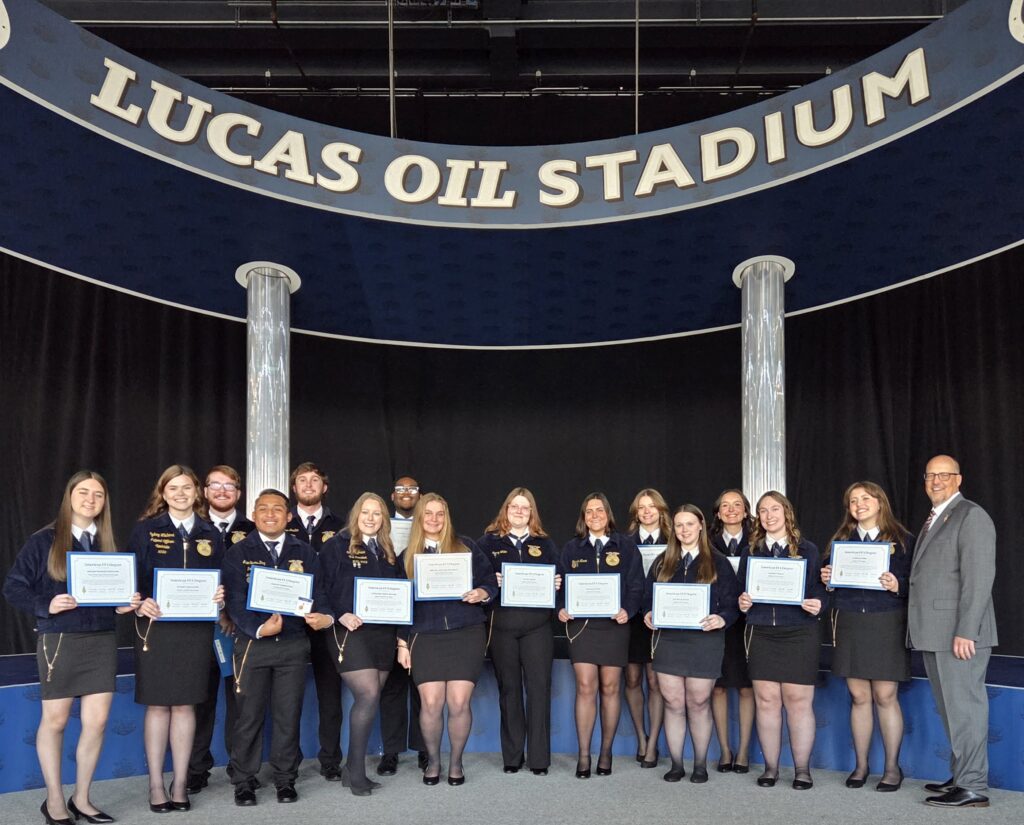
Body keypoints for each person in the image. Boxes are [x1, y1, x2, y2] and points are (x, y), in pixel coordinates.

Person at [4, 471, 141, 825]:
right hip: (60, 639)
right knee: (56, 720)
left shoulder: (106, 543)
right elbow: (13, 587)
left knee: (97, 722)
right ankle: (54, 800)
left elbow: (109, 596)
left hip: (102, 640)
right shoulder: (44, 540)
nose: (90, 500)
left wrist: (122, 605)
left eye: (98, 495)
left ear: (105, 502)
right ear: (69, 496)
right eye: (83, 492)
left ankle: (81, 798)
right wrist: (46, 605)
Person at [221, 488, 334, 806]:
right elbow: (234, 601)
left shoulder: (305, 552)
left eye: (277, 509)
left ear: (288, 516)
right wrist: (258, 629)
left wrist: (325, 617)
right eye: (263, 509)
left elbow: (320, 594)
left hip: (293, 645)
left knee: (288, 715)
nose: (270, 514)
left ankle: (285, 779)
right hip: (253, 645)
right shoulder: (238, 553)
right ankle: (244, 780)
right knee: (248, 716)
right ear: (253, 515)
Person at [129, 465, 225, 813]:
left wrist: (221, 596)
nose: (180, 494)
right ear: (163, 493)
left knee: (186, 705)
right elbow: (131, 577)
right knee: (158, 705)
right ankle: (156, 783)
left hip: (195, 630)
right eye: (173, 488)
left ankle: (180, 782)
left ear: (197, 492)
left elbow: (221, 578)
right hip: (156, 628)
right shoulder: (146, 529)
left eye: (186, 487)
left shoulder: (211, 532)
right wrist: (140, 601)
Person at [908, 455, 996, 808]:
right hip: (935, 632)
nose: (936, 481)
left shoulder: (971, 515)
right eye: (931, 475)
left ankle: (973, 785)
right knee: (951, 710)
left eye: (944, 475)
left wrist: (967, 631)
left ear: (958, 479)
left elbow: (979, 579)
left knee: (966, 709)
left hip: (959, 635)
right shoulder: (937, 516)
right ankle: (962, 776)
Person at [396, 493, 497, 786]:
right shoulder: (407, 556)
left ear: (446, 517)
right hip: (425, 636)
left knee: (459, 702)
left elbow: (490, 582)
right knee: (430, 703)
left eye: (440, 514)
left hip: (466, 633)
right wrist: (402, 643)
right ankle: (433, 761)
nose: (434, 519)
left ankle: (455, 763)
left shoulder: (466, 547)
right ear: (419, 518)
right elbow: (400, 604)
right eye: (428, 513)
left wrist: (482, 593)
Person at [821, 481, 914, 792]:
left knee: (885, 696)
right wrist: (827, 578)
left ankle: (892, 768)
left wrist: (898, 585)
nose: (859, 504)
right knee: (859, 696)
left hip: (887, 621)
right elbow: (827, 582)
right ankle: (861, 765)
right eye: (853, 500)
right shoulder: (841, 540)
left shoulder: (903, 540)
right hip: (850, 622)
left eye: (865, 498)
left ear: (880, 502)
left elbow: (918, 581)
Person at [643, 504, 739, 784]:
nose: (684, 530)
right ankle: (676, 765)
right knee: (673, 702)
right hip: (669, 640)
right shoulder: (662, 562)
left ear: (700, 526)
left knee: (698, 702)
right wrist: (648, 613)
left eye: (689, 524)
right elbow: (647, 599)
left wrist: (722, 619)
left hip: (705, 641)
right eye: (679, 525)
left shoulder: (718, 562)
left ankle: (699, 765)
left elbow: (732, 604)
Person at [737, 491, 825, 790]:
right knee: (766, 701)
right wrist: (743, 602)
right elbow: (739, 591)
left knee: (798, 702)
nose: (769, 515)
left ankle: (802, 770)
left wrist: (819, 602)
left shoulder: (808, 549)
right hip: (762, 631)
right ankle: (771, 768)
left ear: (786, 512)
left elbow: (820, 588)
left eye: (774, 509)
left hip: (800, 632)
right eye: (763, 511)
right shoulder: (751, 551)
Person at [319, 492, 405, 796]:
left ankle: (349, 770)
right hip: (349, 632)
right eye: (365, 512)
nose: (370, 518)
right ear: (356, 514)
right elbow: (319, 587)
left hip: (382, 634)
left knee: (373, 696)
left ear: (384, 519)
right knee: (367, 695)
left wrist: (401, 634)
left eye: (377, 513)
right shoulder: (336, 546)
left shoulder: (388, 551)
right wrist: (339, 614)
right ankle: (356, 771)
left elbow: (399, 593)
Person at [558, 492, 644, 778]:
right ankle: (584, 755)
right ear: (583, 518)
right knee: (585, 687)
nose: (594, 516)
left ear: (608, 515)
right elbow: (559, 585)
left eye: (599, 511)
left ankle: (606, 752)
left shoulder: (626, 546)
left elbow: (636, 586)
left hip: (614, 627)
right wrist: (561, 608)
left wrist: (628, 610)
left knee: (610, 688)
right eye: (589, 511)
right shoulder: (572, 548)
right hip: (581, 627)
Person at [477, 487, 560, 775]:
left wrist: (557, 583)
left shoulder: (545, 544)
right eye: (515, 506)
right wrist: (490, 581)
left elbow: (559, 578)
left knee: (539, 690)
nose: (520, 511)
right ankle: (512, 757)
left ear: (532, 512)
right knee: (509, 690)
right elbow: (477, 582)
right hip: (502, 627)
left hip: (537, 627)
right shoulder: (487, 543)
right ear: (506, 509)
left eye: (525, 507)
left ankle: (539, 759)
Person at [188, 464, 255, 795]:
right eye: (215, 484)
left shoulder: (253, 529)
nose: (222, 490)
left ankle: (240, 767)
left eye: (229, 485)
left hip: (239, 630)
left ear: (238, 493)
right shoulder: (191, 528)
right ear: (205, 491)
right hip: (197, 629)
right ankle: (195, 768)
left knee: (241, 703)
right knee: (198, 700)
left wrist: (232, 614)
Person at [284, 461, 347, 781]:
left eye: (315, 480)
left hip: (326, 620)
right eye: (302, 480)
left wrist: (332, 613)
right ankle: (288, 762)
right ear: (294, 487)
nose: (308, 485)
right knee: (287, 696)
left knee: (330, 695)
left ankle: (330, 760)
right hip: (288, 622)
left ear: (325, 487)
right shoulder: (281, 520)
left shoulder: (343, 525)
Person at [377, 475, 427, 776]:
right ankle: (391, 752)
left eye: (412, 489)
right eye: (400, 489)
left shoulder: (431, 525)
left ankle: (424, 749)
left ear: (419, 495)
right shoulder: (380, 526)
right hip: (389, 614)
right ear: (392, 496)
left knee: (423, 687)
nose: (406, 493)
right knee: (392, 689)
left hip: (423, 615)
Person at [709, 488, 755, 774]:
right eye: (725, 505)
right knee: (719, 687)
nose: (731, 510)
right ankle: (725, 749)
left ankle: (745, 751)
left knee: (748, 687)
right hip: (719, 624)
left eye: (737, 505)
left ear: (746, 511)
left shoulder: (759, 541)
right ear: (717, 513)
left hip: (750, 625)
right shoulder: (707, 543)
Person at [624, 488, 668, 769]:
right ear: (636, 513)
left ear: (661, 511)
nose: (647, 511)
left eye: (652, 506)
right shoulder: (624, 543)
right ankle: (641, 737)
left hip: (661, 618)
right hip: (631, 619)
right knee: (631, 679)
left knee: (655, 682)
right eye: (642, 507)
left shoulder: (674, 541)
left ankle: (653, 745)